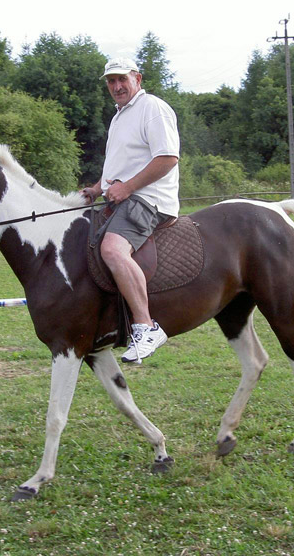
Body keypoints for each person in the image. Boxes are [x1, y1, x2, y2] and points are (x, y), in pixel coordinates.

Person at [81, 57, 180, 364]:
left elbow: (167, 158)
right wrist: (98, 188)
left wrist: (128, 187)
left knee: (112, 249)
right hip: (125, 196)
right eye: (111, 81)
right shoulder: (120, 116)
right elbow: (121, 165)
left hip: (149, 199)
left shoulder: (151, 108)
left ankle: (146, 326)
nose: (117, 86)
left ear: (137, 78)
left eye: (122, 79)